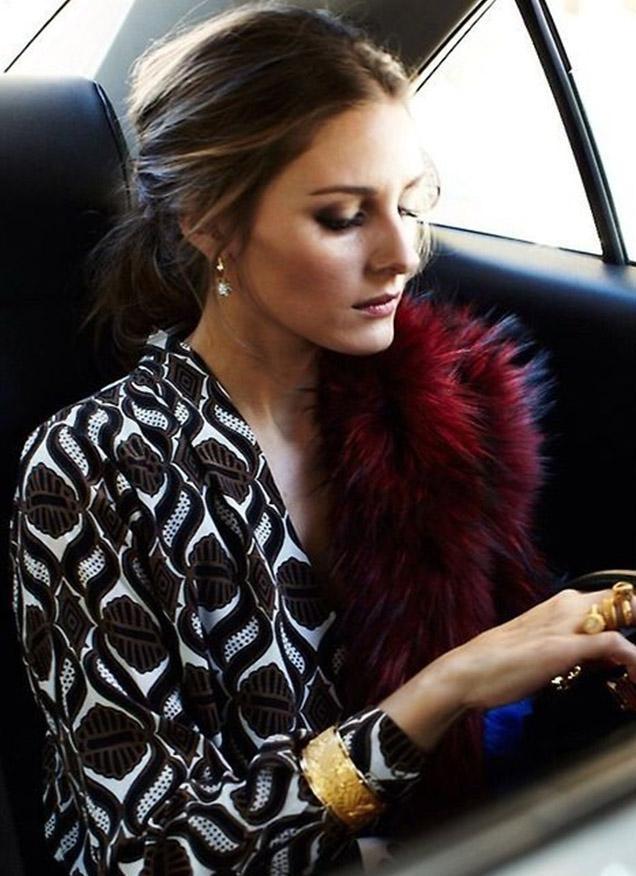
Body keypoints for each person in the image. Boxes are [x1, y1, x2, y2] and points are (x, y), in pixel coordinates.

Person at [10, 4, 636, 874]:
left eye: (409, 204)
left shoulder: (446, 405)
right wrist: (437, 694)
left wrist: (599, 650)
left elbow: (506, 696)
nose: (401, 255)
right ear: (208, 220)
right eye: (343, 217)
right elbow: (148, 855)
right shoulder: (92, 468)